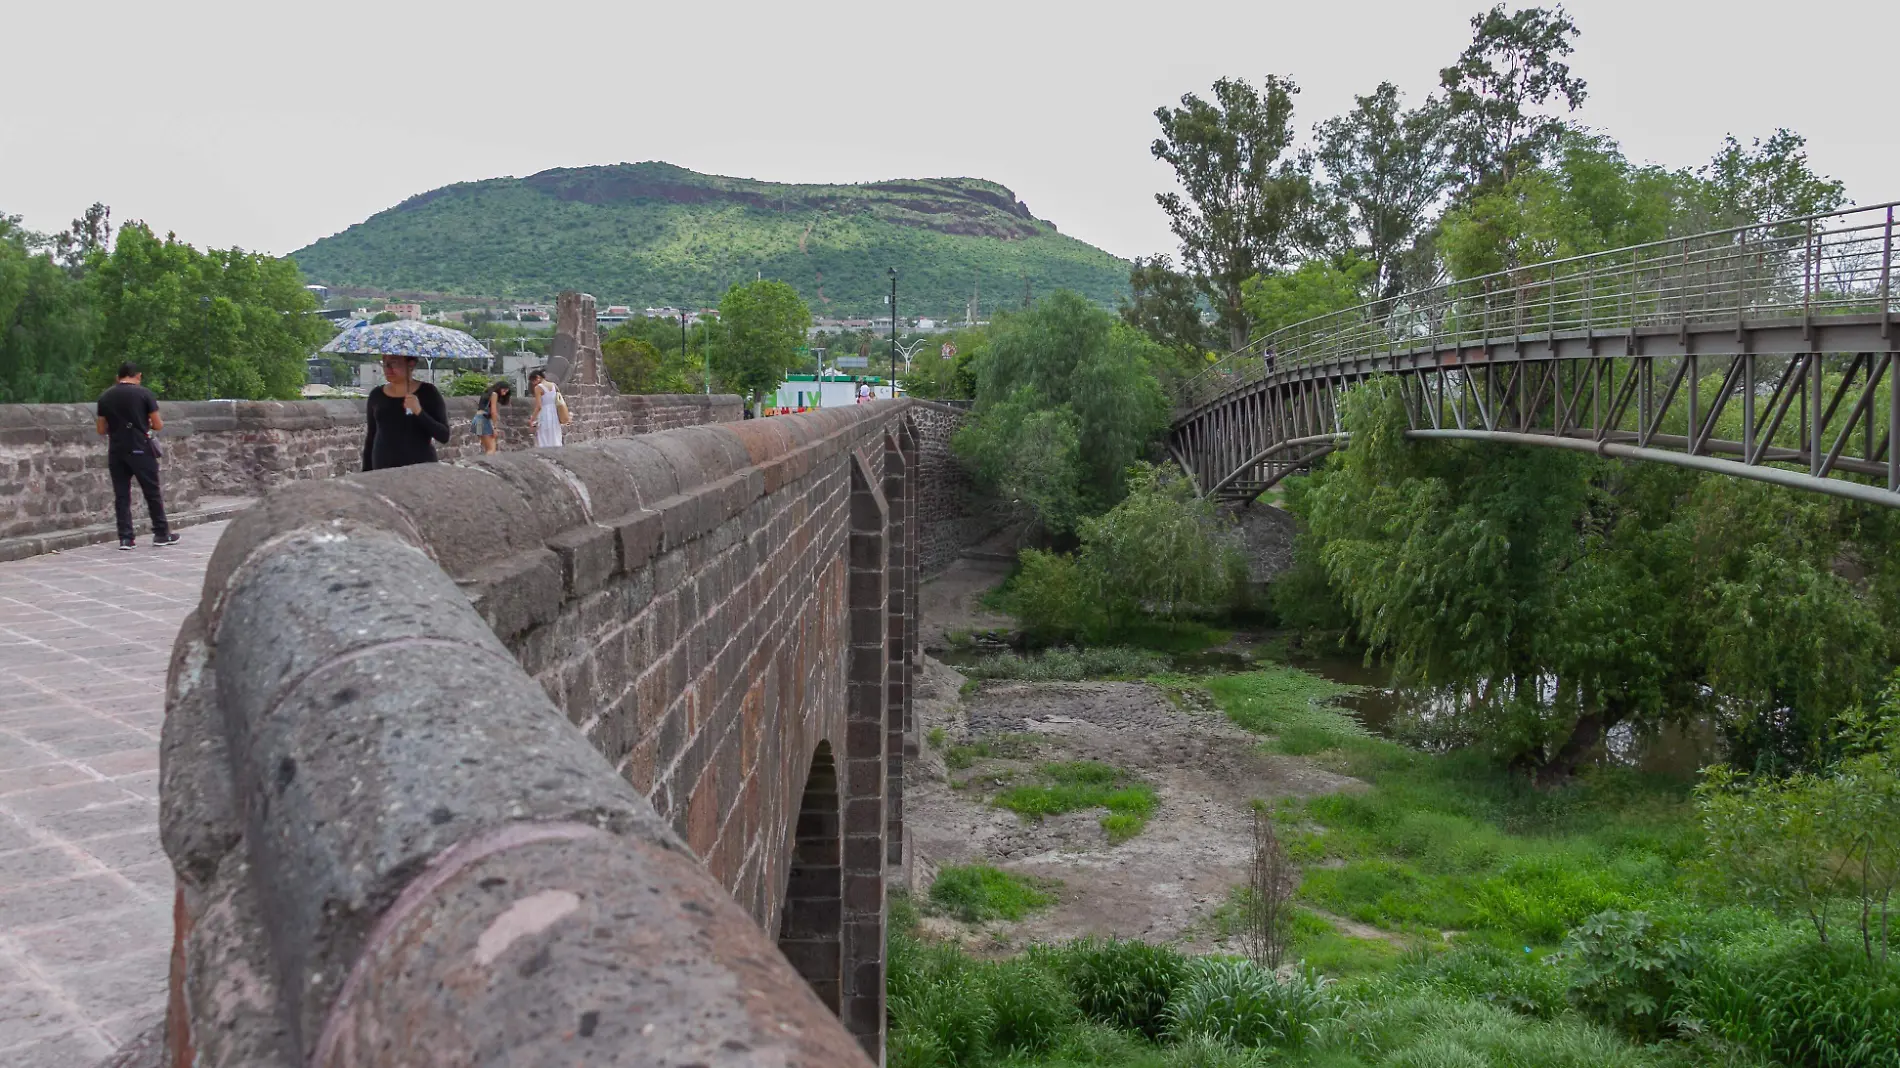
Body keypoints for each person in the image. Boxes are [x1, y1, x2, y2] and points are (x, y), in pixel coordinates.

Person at [95, 362, 176, 550]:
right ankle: (161, 533)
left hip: (116, 450)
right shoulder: (144, 394)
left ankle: (126, 538)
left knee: (122, 495)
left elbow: (100, 429)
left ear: (118, 377)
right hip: (140, 448)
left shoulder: (105, 397)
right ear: (138, 376)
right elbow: (158, 425)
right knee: (151, 492)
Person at [362, 354, 450, 471]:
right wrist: (366, 473)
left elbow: (443, 435)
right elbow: (371, 436)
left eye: (394, 363)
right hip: (383, 470)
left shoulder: (428, 392)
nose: (387, 368)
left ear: (411, 364)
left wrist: (419, 412)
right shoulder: (376, 395)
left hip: (420, 469)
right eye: (384, 362)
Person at [472, 380, 512, 454]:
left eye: (506, 391)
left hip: (477, 419)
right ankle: (489, 464)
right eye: (504, 390)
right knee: (491, 447)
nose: (505, 393)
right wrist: (495, 428)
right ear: (499, 388)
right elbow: (493, 411)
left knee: (486, 447)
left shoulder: (487, 393)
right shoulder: (494, 394)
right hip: (483, 419)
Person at [528, 369, 563, 448]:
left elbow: (539, 406)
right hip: (554, 413)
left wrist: (532, 419)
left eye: (533, 381)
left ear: (537, 378)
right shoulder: (554, 385)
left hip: (544, 414)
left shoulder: (538, 388)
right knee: (555, 435)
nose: (533, 384)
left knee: (544, 437)